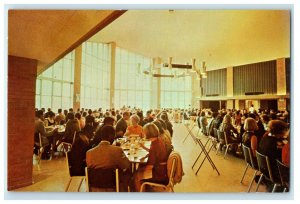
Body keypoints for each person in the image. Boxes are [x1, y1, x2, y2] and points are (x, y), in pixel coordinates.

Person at [86, 126, 131, 192]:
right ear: (111, 136)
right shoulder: (117, 150)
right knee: (129, 173)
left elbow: (90, 168)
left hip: (94, 185)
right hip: (113, 183)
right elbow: (126, 165)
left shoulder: (89, 153)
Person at [133, 123, 169, 192]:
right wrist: (143, 147)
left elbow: (150, 166)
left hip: (158, 174)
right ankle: (146, 188)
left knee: (136, 175)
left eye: (144, 132)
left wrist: (140, 170)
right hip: (162, 170)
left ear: (148, 133)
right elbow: (154, 152)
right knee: (140, 167)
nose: (143, 134)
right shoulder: (158, 140)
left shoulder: (154, 145)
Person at [258, 120, 289, 190]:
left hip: (264, 169)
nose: (285, 132)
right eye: (284, 130)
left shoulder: (265, 138)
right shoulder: (274, 143)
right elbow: (282, 158)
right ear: (280, 131)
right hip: (274, 172)